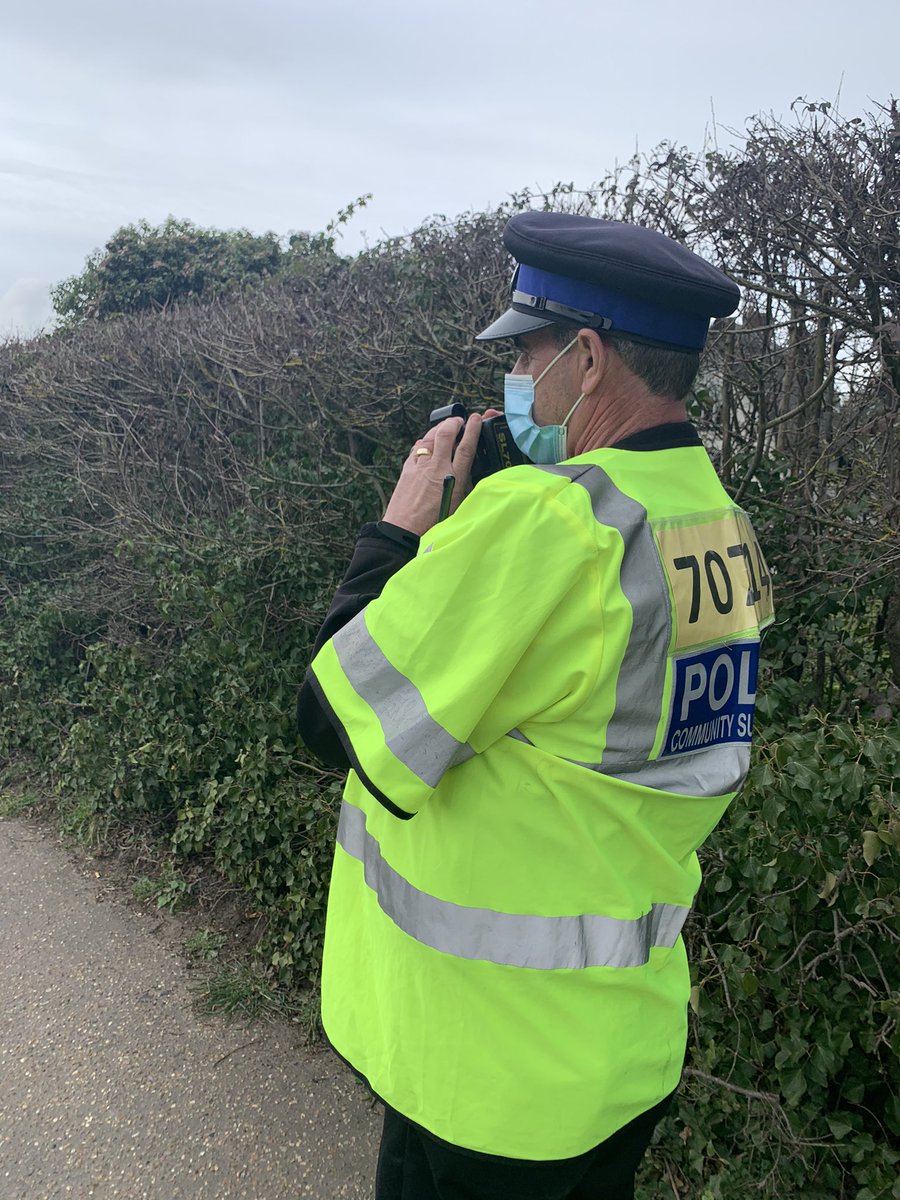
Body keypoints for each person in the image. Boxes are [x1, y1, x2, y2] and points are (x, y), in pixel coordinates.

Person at [297, 212, 774, 1200]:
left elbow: (332, 713)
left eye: (526, 352)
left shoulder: (545, 523)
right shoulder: (719, 525)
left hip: (486, 1071)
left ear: (588, 360)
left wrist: (401, 529)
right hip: (618, 1054)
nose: (515, 375)